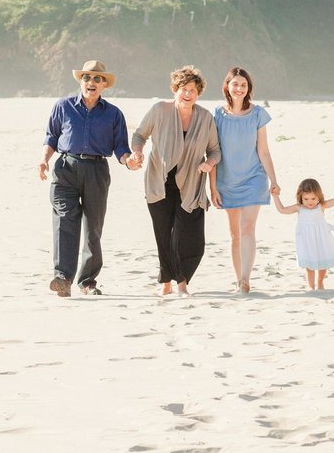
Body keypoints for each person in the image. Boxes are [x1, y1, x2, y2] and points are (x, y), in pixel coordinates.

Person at [39, 60, 140, 298]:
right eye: (86, 78)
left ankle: (87, 282)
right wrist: (44, 159)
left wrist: (129, 162)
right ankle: (63, 278)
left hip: (96, 170)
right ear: (81, 82)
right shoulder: (63, 106)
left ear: (104, 84)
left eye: (97, 79)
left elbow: (121, 147)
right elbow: (51, 137)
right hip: (65, 168)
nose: (91, 82)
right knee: (65, 220)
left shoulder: (114, 114)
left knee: (93, 227)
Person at [130, 65, 221, 297]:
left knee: (190, 237)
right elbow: (139, 135)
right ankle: (171, 283)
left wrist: (208, 164)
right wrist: (137, 152)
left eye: (192, 89)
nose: (188, 93)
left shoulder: (205, 117)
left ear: (198, 93)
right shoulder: (159, 110)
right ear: (175, 89)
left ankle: (181, 278)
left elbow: (215, 150)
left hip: (191, 184)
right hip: (159, 182)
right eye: (183, 88)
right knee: (164, 234)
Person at [210, 66, 279, 294]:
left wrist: (273, 179)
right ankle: (237, 277)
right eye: (235, 84)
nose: (239, 88)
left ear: (248, 88)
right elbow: (212, 152)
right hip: (227, 180)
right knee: (234, 234)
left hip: (254, 178)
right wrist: (213, 187)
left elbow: (264, 151)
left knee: (248, 228)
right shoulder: (217, 115)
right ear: (227, 86)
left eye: (243, 85)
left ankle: (245, 281)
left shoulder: (258, 113)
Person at [273, 178, 334, 290]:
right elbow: (282, 210)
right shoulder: (299, 208)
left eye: (313, 198)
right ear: (300, 197)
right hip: (306, 241)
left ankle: (320, 283)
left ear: (319, 197)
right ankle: (311, 286)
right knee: (309, 266)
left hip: (321, 238)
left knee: (323, 262)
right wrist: (275, 196)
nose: (310, 202)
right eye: (306, 199)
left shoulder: (321, 206)